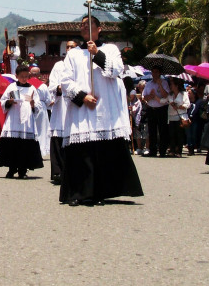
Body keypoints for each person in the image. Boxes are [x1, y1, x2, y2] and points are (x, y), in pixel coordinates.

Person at [59, 15, 143, 206]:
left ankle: (100, 192)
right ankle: (78, 193)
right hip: (83, 109)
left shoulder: (111, 49)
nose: (85, 28)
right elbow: (65, 81)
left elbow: (117, 71)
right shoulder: (73, 54)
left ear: (99, 29)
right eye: (82, 26)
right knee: (81, 153)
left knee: (103, 152)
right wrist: (82, 96)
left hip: (105, 110)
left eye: (89, 25)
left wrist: (97, 54)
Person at [0, 64, 44, 178]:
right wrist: (9, 102)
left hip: (26, 120)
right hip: (13, 118)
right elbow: (3, 100)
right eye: (21, 76)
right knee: (12, 144)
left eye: (26, 76)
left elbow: (38, 105)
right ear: (16, 76)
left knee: (25, 145)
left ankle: (23, 169)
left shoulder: (32, 88)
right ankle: (11, 169)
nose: (24, 78)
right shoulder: (11, 87)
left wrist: (33, 104)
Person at [47, 40, 79, 182]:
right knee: (58, 138)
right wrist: (59, 88)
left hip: (75, 104)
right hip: (61, 107)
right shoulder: (59, 65)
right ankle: (58, 171)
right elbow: (52, 84)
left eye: (73, 46)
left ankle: (73, 172)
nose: (70, 49)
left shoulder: (80, 65)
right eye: (68, 46)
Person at [142, 64, 170, 157]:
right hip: (151, 109)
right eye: (153, 72)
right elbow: (144, 97)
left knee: (162, 130)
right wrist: (150, 95)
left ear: (160, 73)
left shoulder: (164, 82)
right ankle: (152, 150)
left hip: (161, 109)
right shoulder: (148, 84)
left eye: (156, 72)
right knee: (152, 130)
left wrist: (159, 85)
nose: (154, 74)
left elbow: (166, 95)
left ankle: (162, 150)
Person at [28, 65, 51, 158]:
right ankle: (41, 151)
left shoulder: (27, 84)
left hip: (29, 107)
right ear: (39, 75)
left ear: (29, 74)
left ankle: (30, 151)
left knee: (31, 129)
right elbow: (48, 100)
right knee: (41, 130)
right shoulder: (43, 86)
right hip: (41, 108)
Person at [166, 77, 190, 156]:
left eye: (172, 84)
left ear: (176, 85)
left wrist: (179, 106)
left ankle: (179, 151)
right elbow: (164, 101)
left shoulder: (183, 94)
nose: (170, 86)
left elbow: (188, 104)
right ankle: (172, 150)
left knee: (179, 134)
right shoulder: (170, 95)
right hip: (171, 116)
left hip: (180, 116)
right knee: (172, 134)